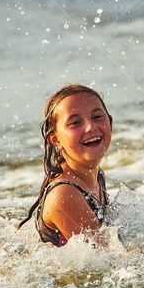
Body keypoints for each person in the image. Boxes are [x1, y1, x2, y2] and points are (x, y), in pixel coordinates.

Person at [17, 83, 113, 246]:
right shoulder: (64, 195)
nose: (90, 127)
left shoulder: (97, 175)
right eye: (75, 123)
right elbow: (109, 257)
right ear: (55, 140)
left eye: (97, 117)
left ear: (110, 122)